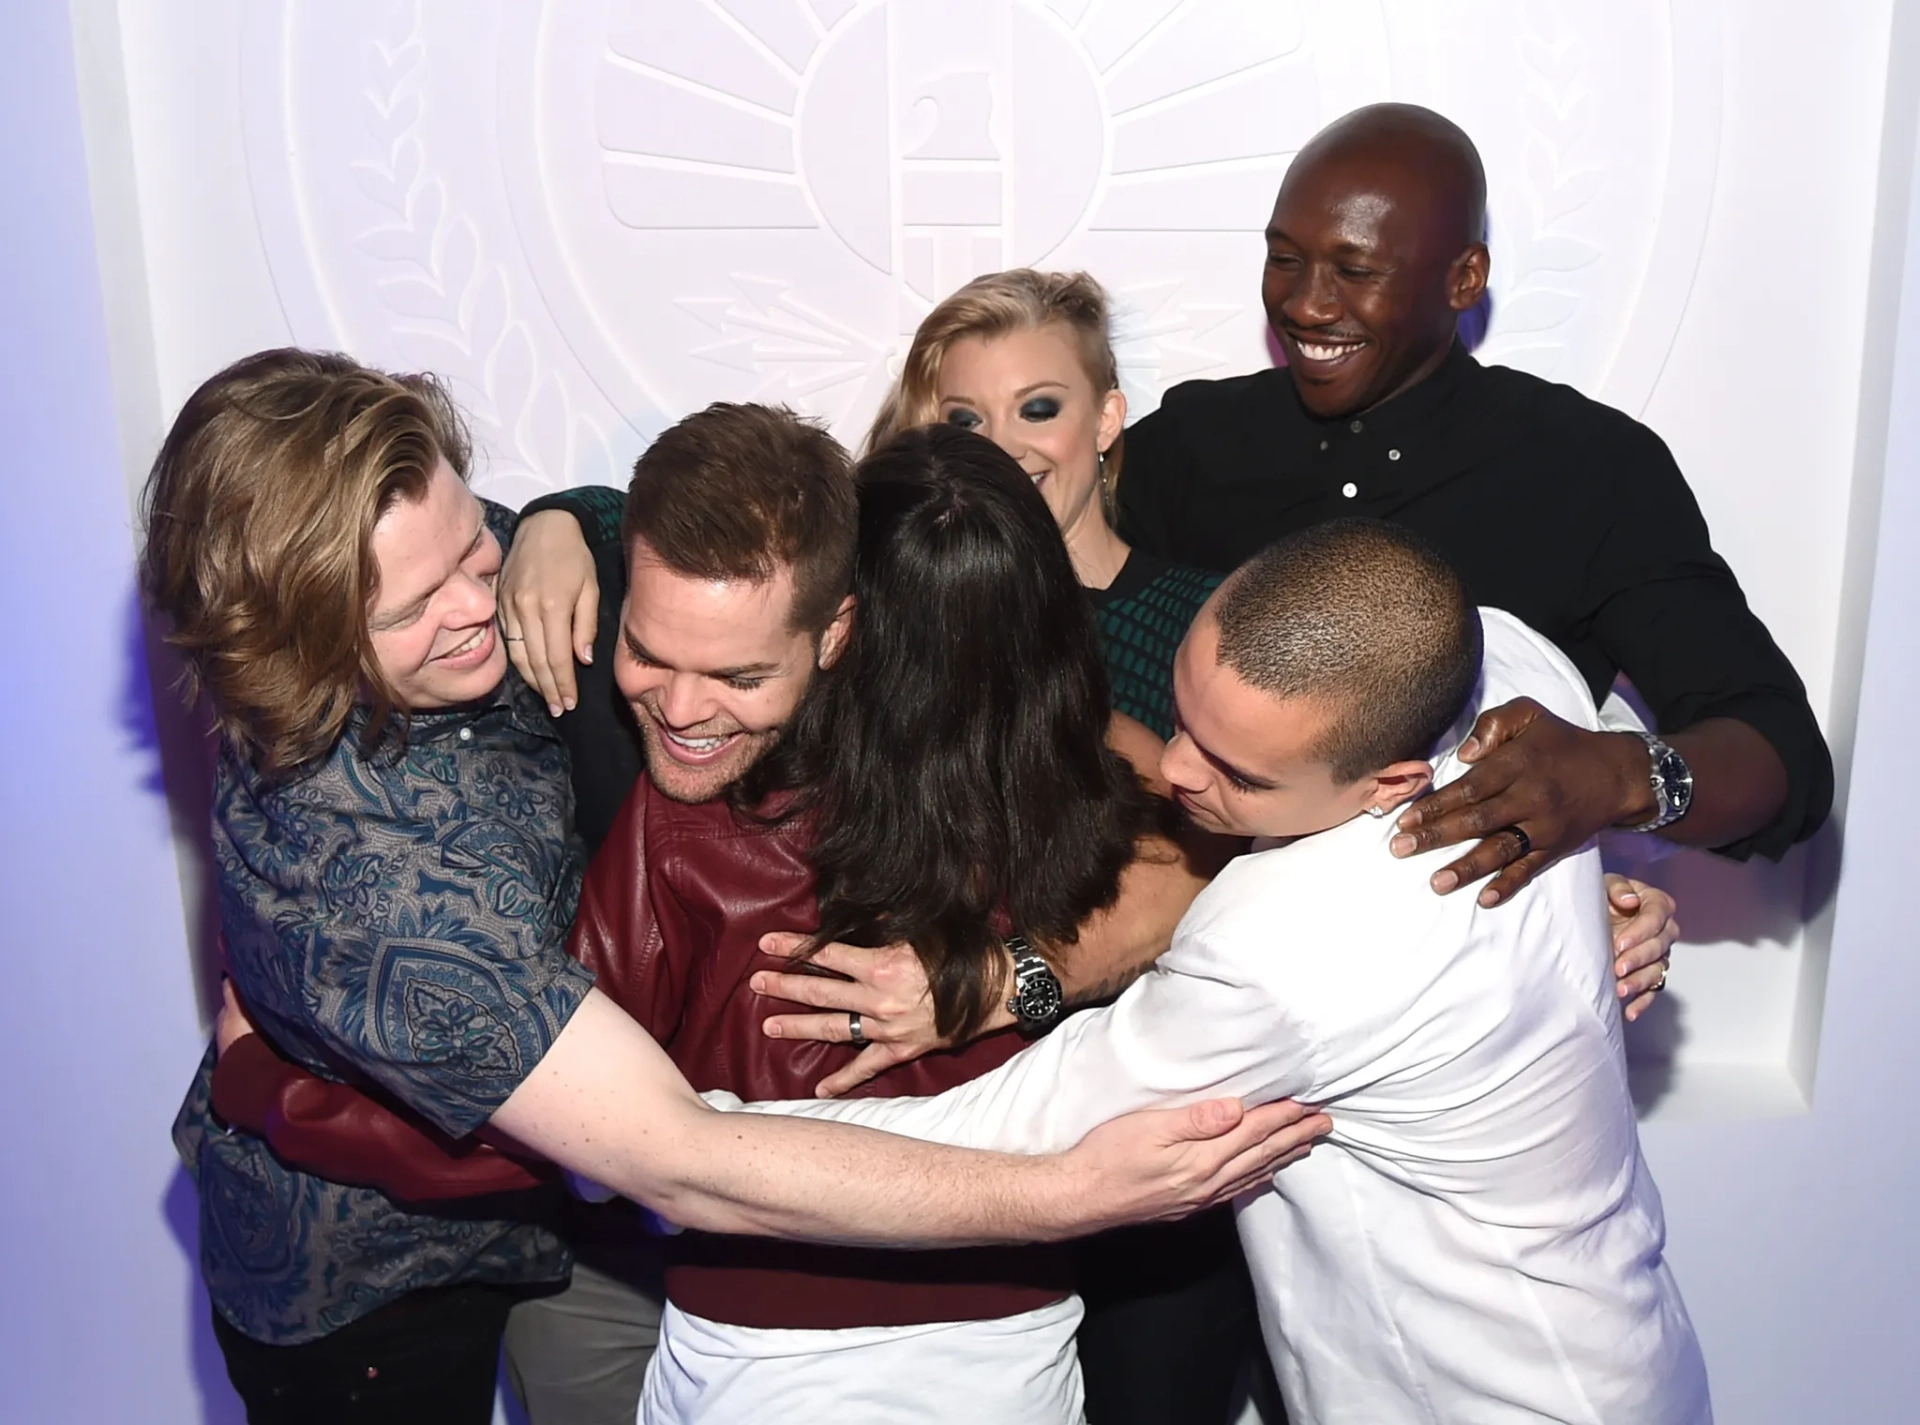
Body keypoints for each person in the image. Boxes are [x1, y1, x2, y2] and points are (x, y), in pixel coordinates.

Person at [145, 349, 1320, 1423]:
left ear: (838, 630)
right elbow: (667, 1154)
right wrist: (269, 1084)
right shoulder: (384, 887)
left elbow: (1189, 815)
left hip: (789, 1284)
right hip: (374, 1283)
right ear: (305, 639)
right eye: (418, 606)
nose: (480, 608)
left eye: (475, 546)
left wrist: (1020, 974)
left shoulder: (569, 579)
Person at [719, 518, 1714, 1423]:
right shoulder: (1503, 657)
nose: (1182, 770)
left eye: (1240, 774)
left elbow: (991, 1138)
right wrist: (1604, 889)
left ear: (1394, 785)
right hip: (1631, 1346)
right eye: (1186, 714)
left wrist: (687, 1141)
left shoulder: (1286, 948)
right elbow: (1595, 741)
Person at [1116, 102, 1833, 910]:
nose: (1308, 304)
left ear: (1464, 278)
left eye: (1355, 271)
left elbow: (1784, 758)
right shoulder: (1194, 441)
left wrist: (1616, 775)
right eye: (1285, 259)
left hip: (1459, 989)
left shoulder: (1587, 468)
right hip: (1175, 948)